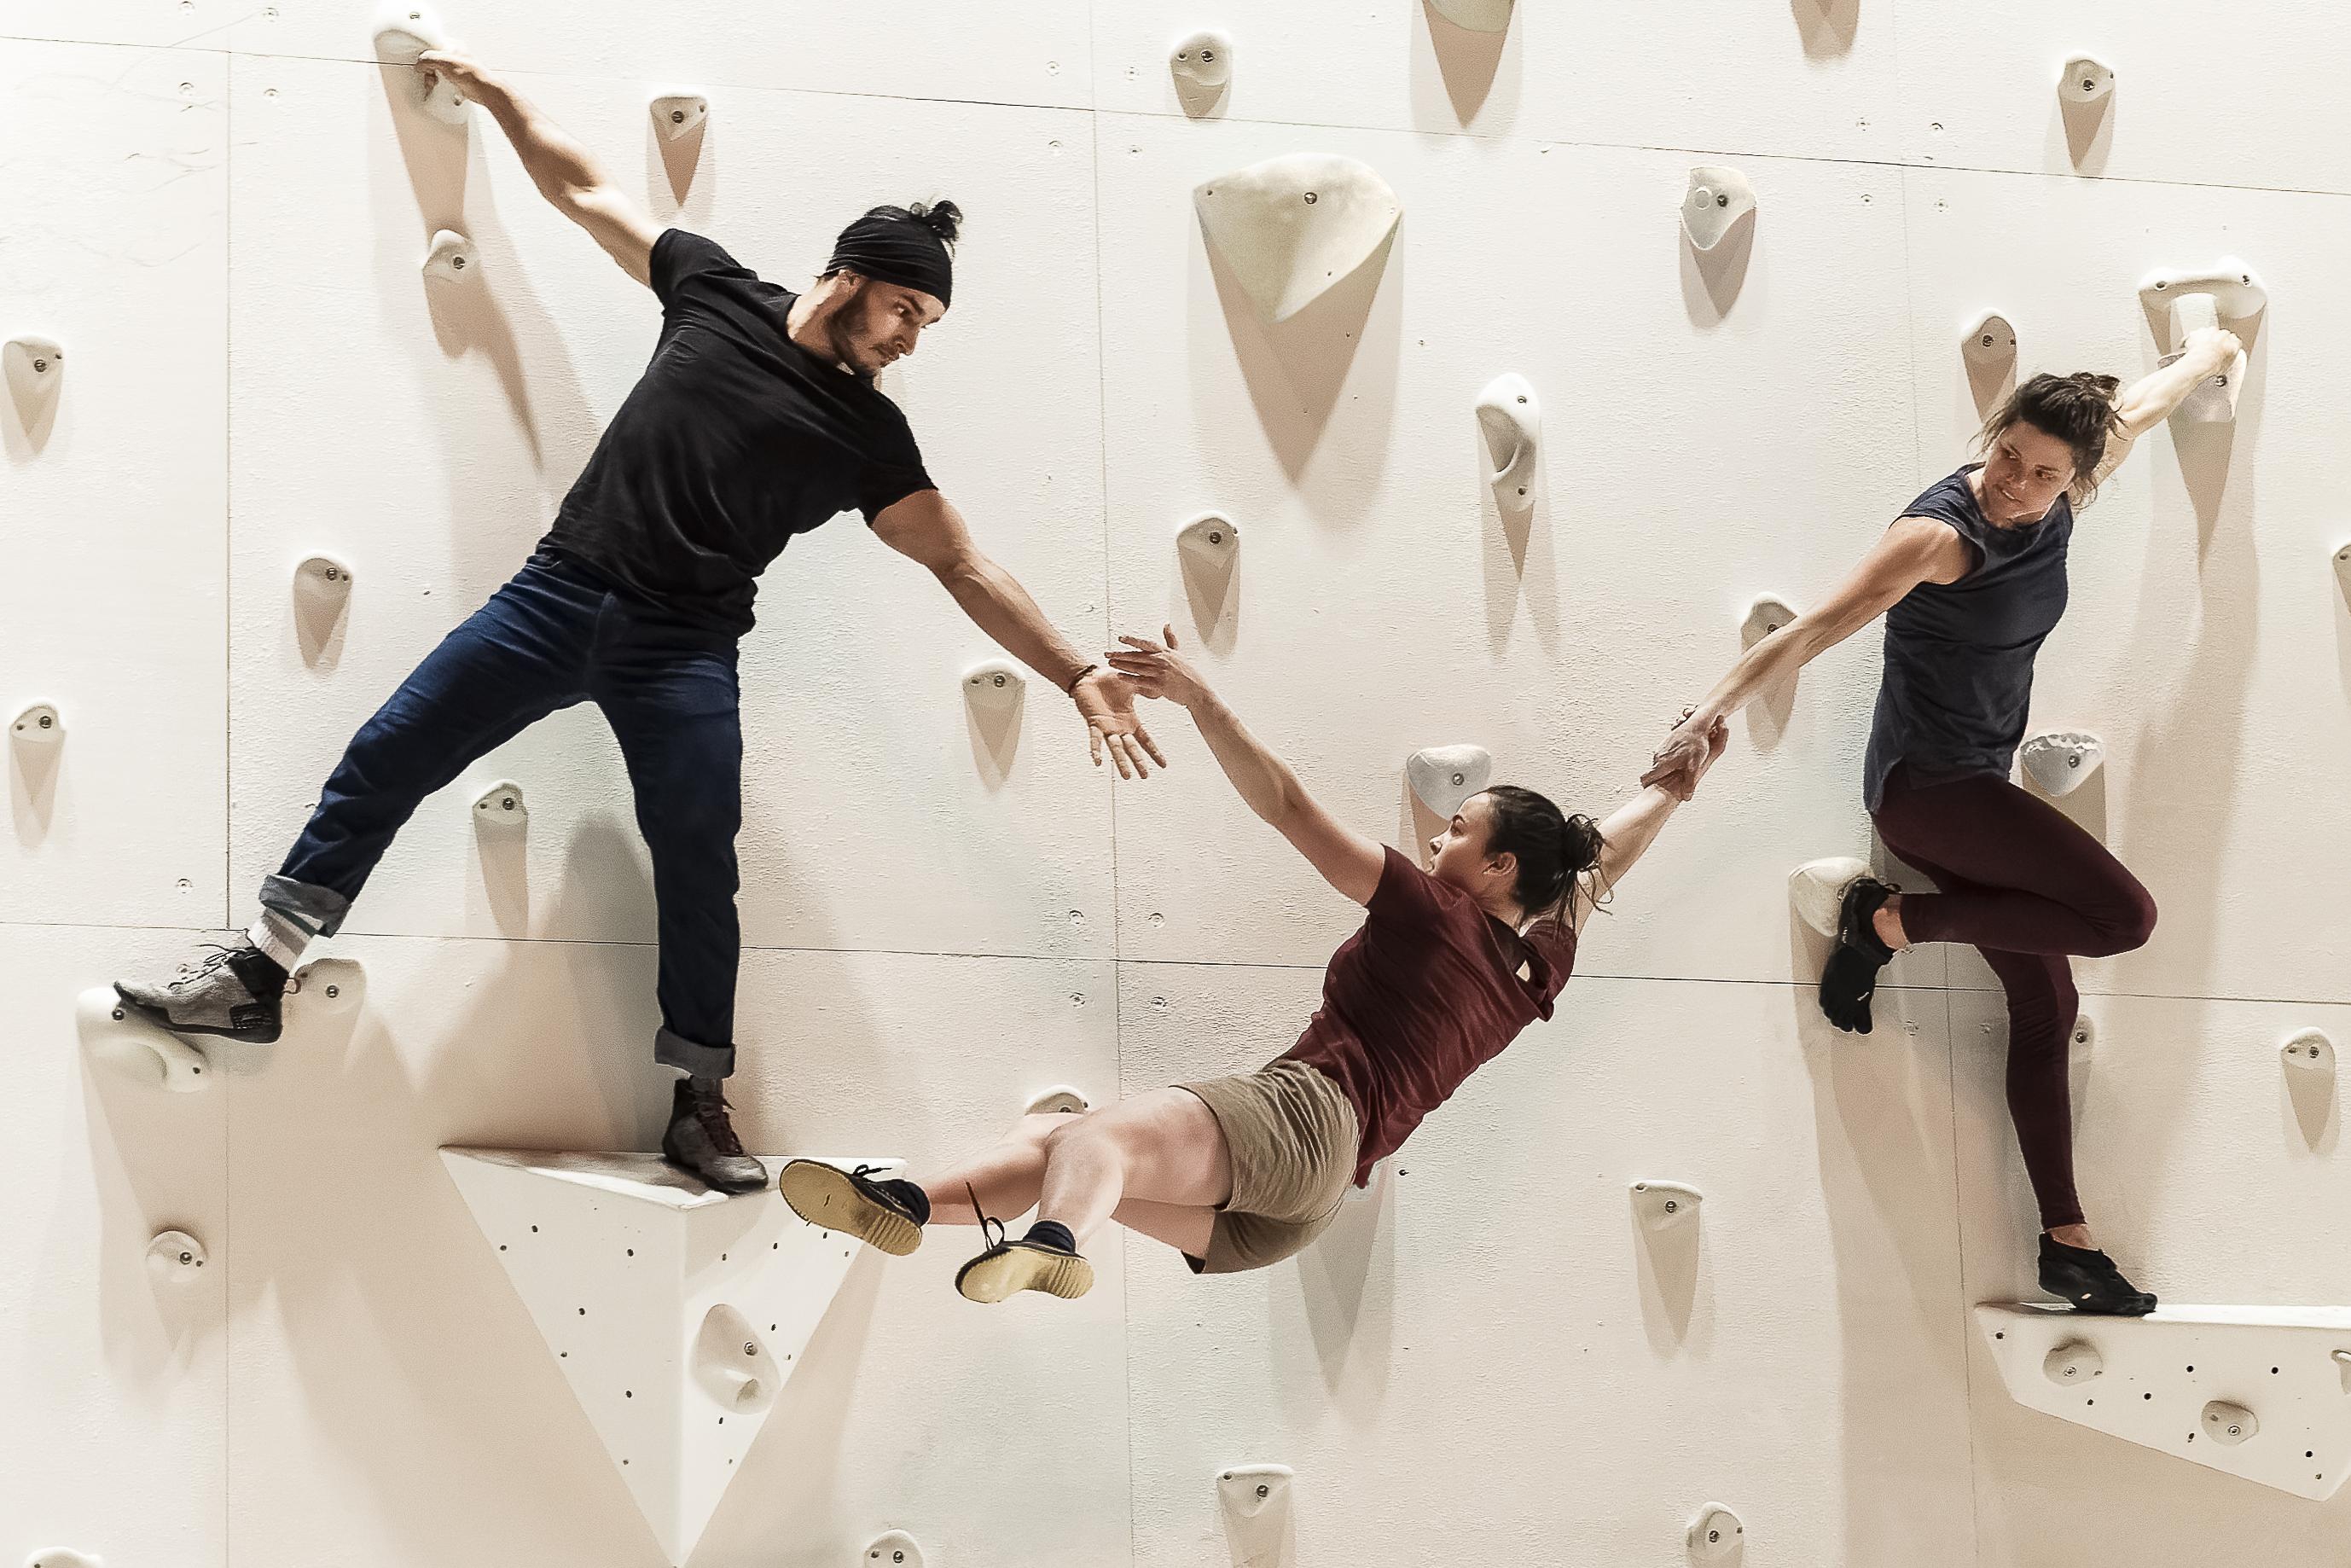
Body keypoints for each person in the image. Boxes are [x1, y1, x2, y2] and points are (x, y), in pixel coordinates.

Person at [111, 51, 1166, 1192]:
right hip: (555, 596)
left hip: (686, 651)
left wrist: (1072, 673)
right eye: (907, 308)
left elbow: (959, 560)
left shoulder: (870, 438)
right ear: (850, 276)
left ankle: (698, 1105)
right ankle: (257, 978)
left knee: (700, 868)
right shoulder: (712, 290)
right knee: (387, 754)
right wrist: (502, 100)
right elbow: (586, 191)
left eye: (928, 323)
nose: (912, 337)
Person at [776, 627, 1727, 1300]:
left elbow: (1286, 804)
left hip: (1304, 1120)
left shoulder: (1433, 910)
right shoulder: (1537, 965)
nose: (1442, 831)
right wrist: (1677, 784)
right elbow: (1608, 851)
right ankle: (898, 1204)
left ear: (1498, 865)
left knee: (1087, 1145)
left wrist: (1199, 699)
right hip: (1299, 1208)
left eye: (1460, 827)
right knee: (1051, 1131)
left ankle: (1057, 1243)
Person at [1642, 332, 2244, 1314]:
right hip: (1928, 790)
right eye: (2005, 454)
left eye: (2042, 472)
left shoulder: (2073, 481)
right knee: (2123, 917)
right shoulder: (1937, 535)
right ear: (1992, 435)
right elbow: (1809, 629)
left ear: (2074, 479)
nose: (2012, 483)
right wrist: (1701, 718)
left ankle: (2065, 1244)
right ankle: (1888, 923)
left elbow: (2142, 402)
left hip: (1974, 790)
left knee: (2046, 1008)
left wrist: (2209, 348)